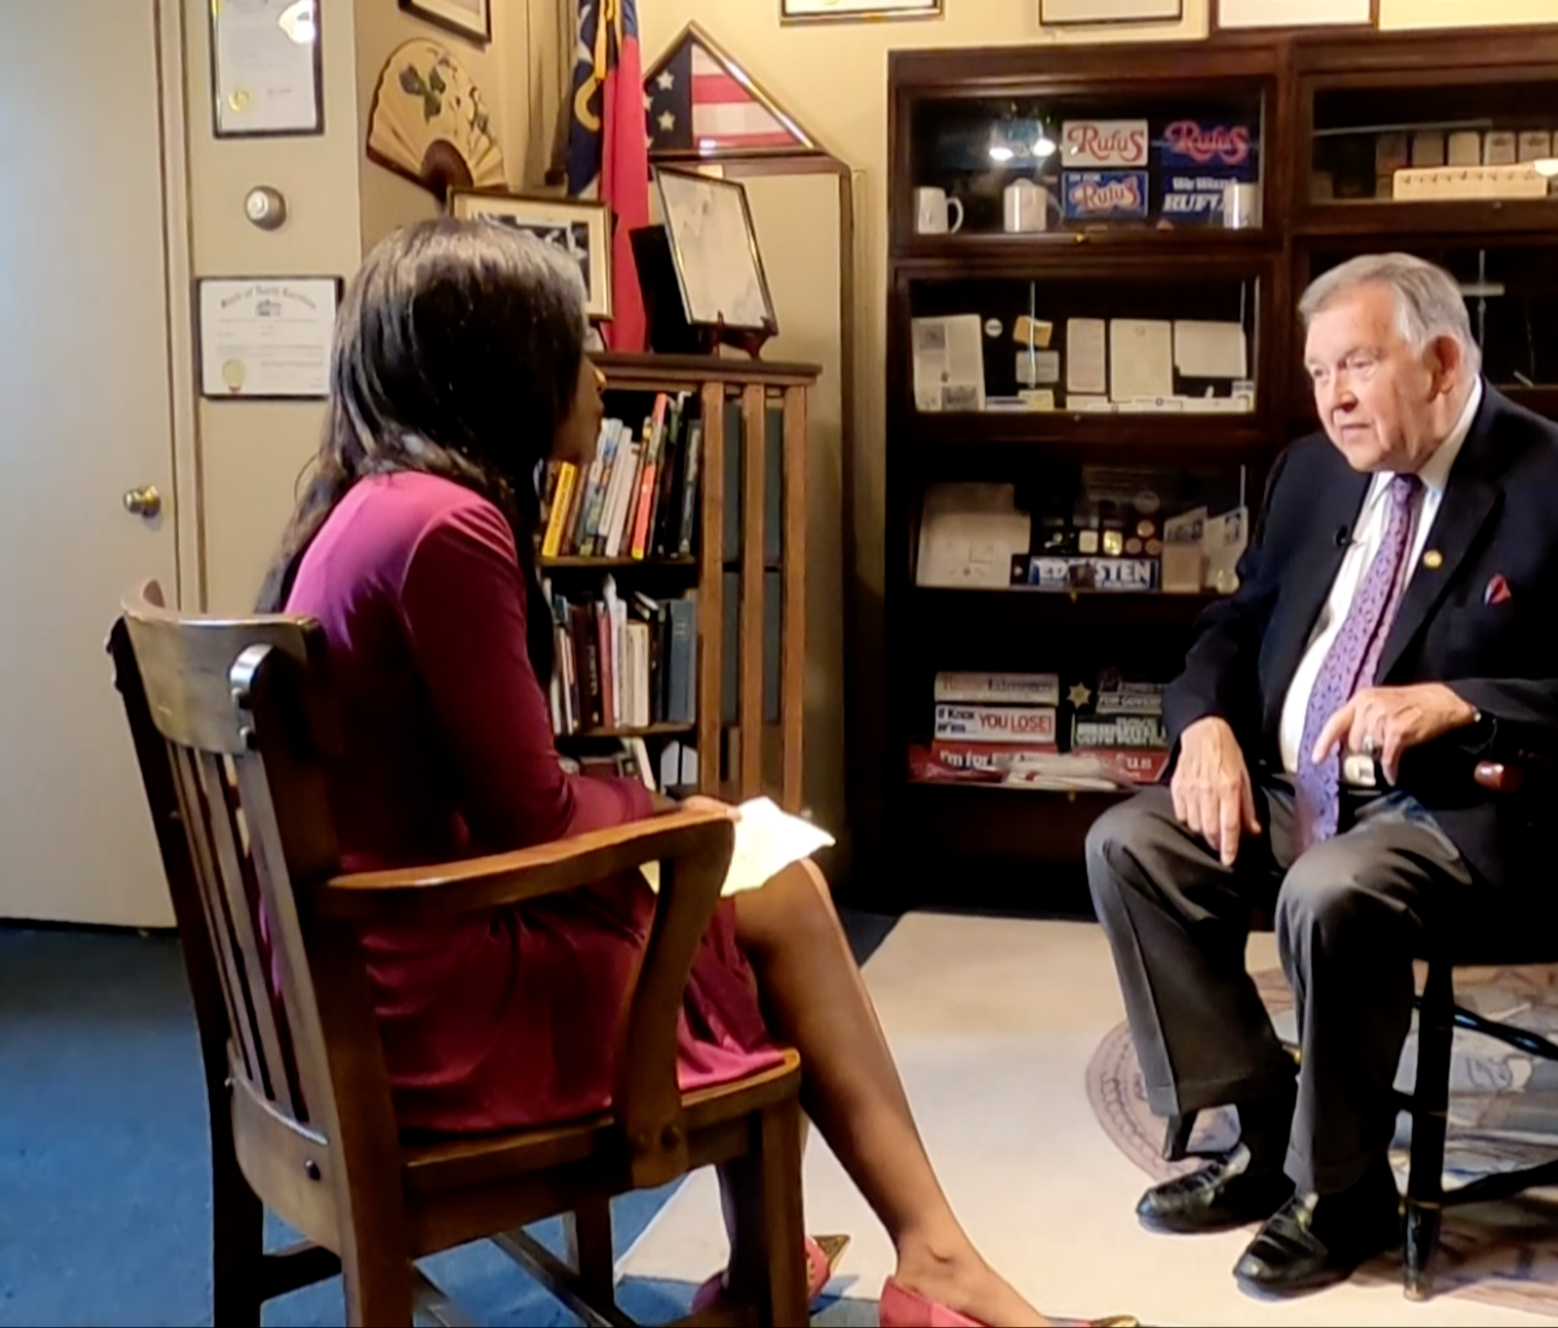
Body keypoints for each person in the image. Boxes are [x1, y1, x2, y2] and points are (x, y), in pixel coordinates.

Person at [260, 218, 1120, 1328]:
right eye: (573, 338)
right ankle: (905, 1260)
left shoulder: (366, 506)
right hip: (422, 1016)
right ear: (502, 363)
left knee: (756, 883)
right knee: (768, 886)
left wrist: (679, 822)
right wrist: (683, 814)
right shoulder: (448, 528)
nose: (599, 369)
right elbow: (535, 818)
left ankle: (828, 1256)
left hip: (341, 982)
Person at [1086, 253, 1558, 1297]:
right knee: (1130, 845)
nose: (1332, 397)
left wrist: (1465, 702)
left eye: (1356, 364)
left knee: (1332, 888)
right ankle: (1269, 1137)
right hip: (1300, 787)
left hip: (1466, 816)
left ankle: (1343, 1191)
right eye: (1318, 372)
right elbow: (1235, 624)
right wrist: (1203, 726)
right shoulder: (1312, 473)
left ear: (1441, 362)